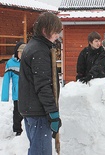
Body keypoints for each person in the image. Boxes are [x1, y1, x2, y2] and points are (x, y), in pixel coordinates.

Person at [18, 12, 62, 155]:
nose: (58, 36)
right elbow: (43, 85)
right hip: (39, 112)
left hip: (32, 109)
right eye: (56, 32)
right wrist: (52, 112)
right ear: (45, 30)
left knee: (36, 150)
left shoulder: (34, 46)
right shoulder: (39, 51)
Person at [1, 42, 26, 136]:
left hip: (28, 93)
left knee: (28, 112)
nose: (23, 54)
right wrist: (5, 96)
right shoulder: (10, 63)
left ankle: (27, 128)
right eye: (21, 52)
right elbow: (6, 80)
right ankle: (17, 129)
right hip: (17, 94)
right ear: (17, 52)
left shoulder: (29, 62)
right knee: (17, 113)